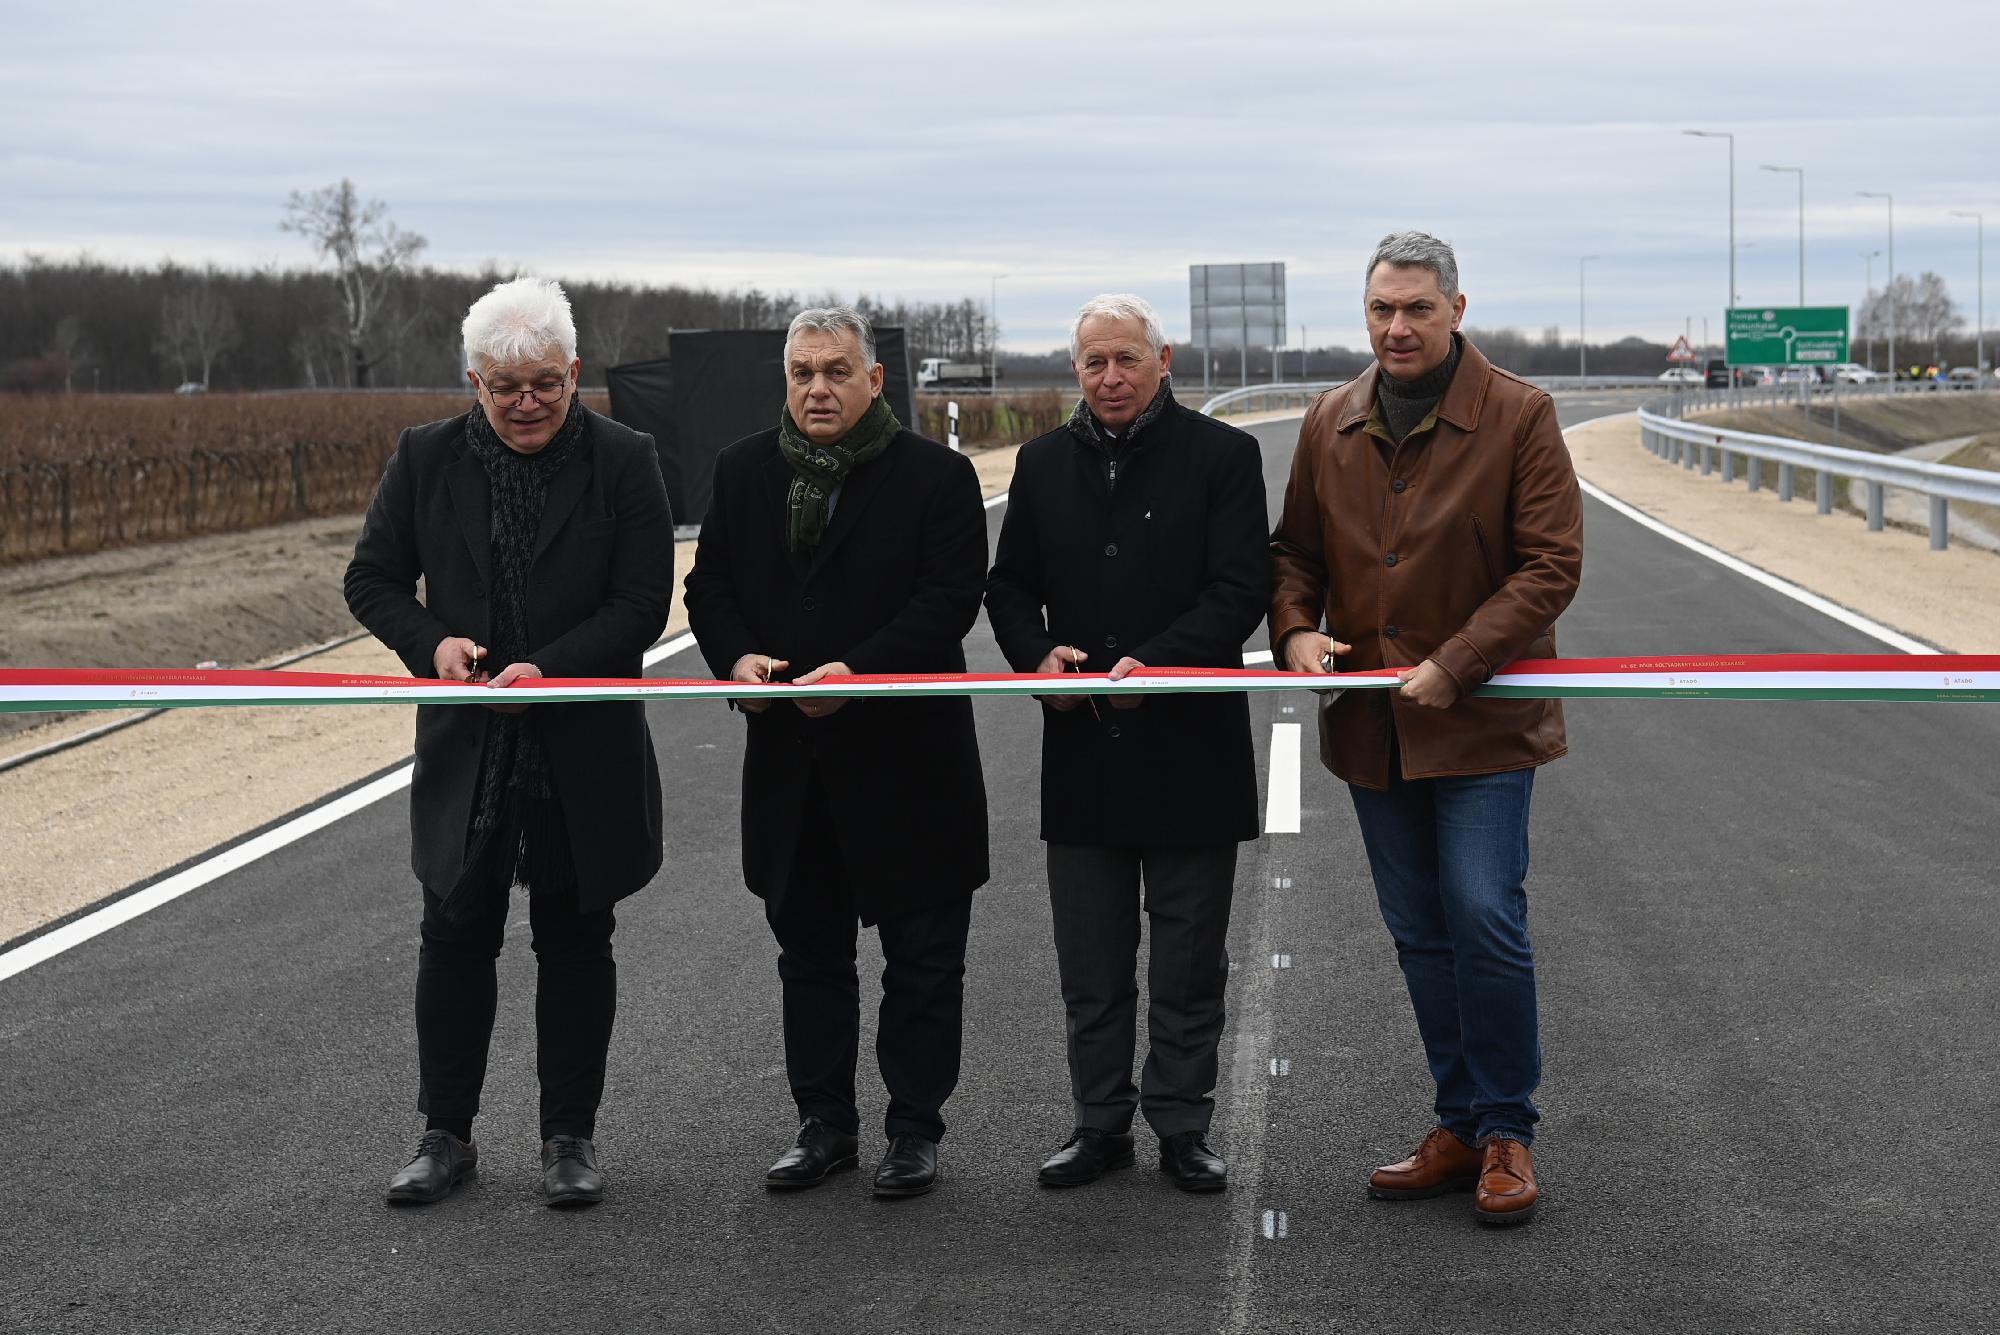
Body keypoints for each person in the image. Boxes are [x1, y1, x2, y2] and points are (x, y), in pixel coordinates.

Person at [1269, 232, 1583, 1226]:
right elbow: (1295, 558)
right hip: (1372, 729)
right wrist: (1292, 631)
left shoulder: (1520, 414)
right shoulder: (1329, 420)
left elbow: (1548, 566)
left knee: (1482, 913)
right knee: (1418, 935)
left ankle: (1504, 1133)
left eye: (1414, 309)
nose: (1395, 328)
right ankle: (1455, 1125)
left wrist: (1460, 659)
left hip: (1481, 722)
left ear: (1454, 309)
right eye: (1378, 311)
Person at [344, 276, 675, 1208]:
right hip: (468, 749)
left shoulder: (626, 458)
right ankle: (444, 1134)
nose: (527, 401)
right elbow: (370, 579)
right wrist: (431, 645)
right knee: (452, 938)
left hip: (580, 746)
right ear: (472, 382)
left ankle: (569, 1138)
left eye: (545, 383)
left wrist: (552, 671)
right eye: (504, 385)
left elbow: (642, 603)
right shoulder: (425, 458)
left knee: (576, 942)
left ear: (575, 374)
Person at [684, 305, 988, 1199]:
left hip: (909, 763)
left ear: (873, 379)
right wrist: (735, 657)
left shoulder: (937, 477)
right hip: (792, 770)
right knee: (809, 958)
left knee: (924, 961)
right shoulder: (741, 472)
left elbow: (948, 598)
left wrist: (862, 670)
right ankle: (823, 1124)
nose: (818, 388)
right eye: (802, 373)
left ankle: (913, 1129)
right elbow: (711, 590)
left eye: (835, 371)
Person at [986, 293, 1268, 1192]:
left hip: (1190, 747)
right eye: (1094, 363)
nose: (1111, 378)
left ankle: (1184, 1124)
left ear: (1163, 360)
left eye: (1127, 361)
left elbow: (1240, 589)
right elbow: (1008, 589)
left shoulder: (1225, 456)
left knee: (1189, 960)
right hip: (1082, 750)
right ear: (1075, 369)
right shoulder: (1038, 464)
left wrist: (1161, 662)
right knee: (1093, 962)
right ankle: (1098, 1122)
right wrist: (1037, 656)